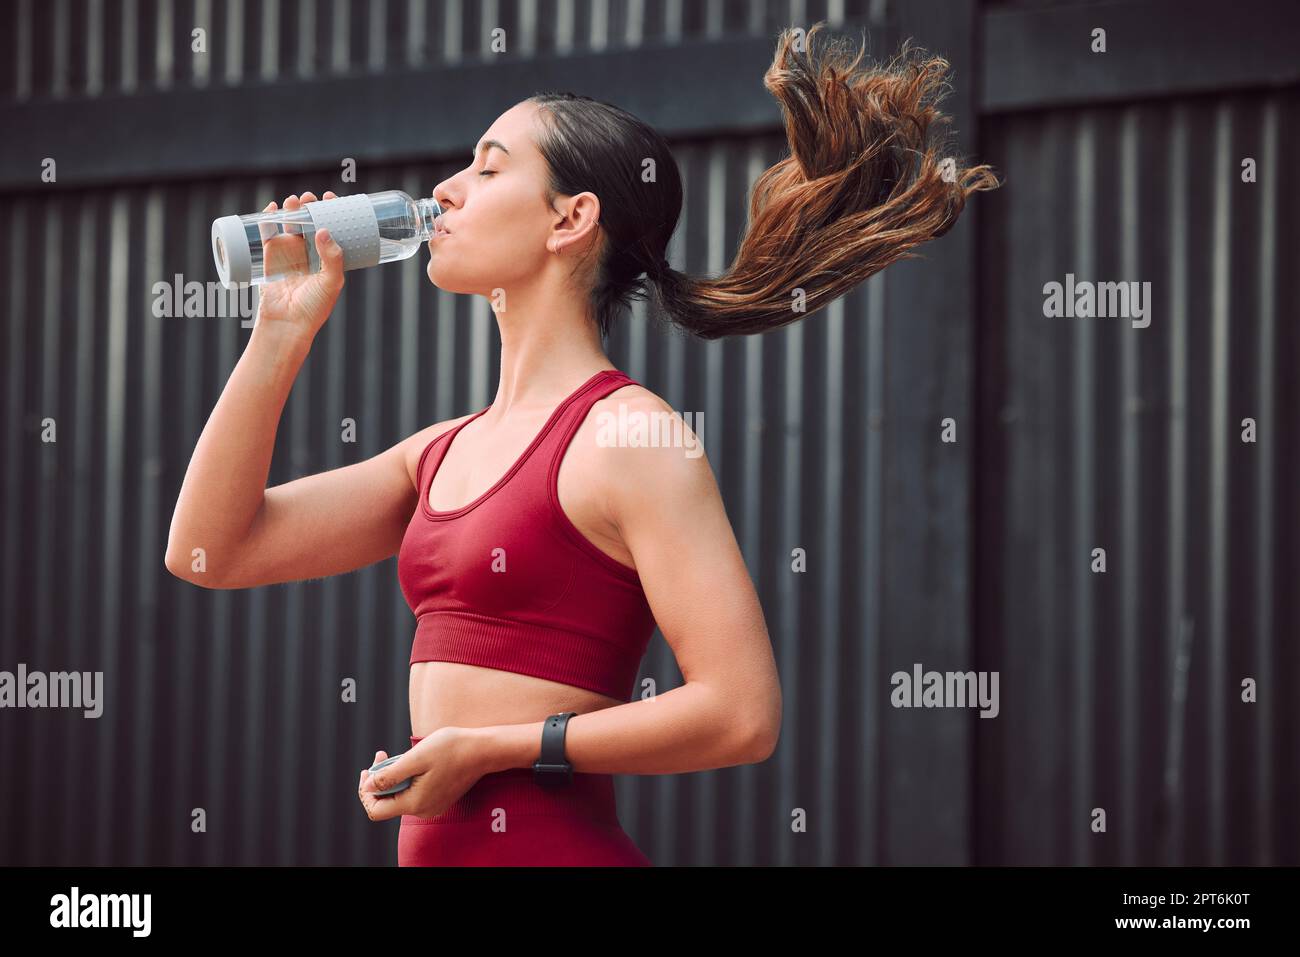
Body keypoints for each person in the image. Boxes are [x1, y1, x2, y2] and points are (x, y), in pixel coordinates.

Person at [164, 23, 998, 866]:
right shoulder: (439, 453)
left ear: (571, 219)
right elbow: (209, 550)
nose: (447, 190)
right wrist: (280, 333)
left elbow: (742, 714)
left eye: (489, 168)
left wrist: (493, 746)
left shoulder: (631, 437)